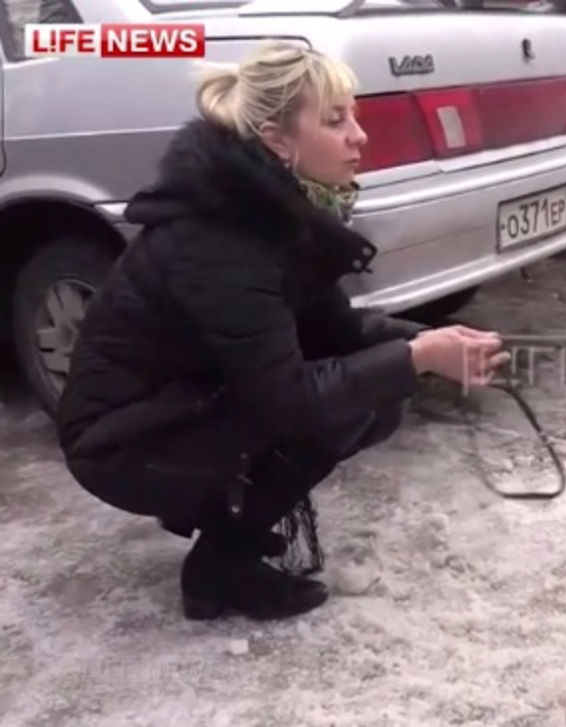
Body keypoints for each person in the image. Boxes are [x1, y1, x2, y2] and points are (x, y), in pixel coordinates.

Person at [54, 42, 509, 622]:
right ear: (277, 141)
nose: (359, 136)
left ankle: (230, 526)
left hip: (180, 407)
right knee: (341, 406)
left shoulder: (270, 214)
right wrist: (416, 356)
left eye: (354, 116)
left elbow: (336, 330)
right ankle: (219, 569)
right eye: (335, 120)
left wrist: (435, 340)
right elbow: (289, 401)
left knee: (375, 396)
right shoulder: (221, 242)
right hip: (124, 445)